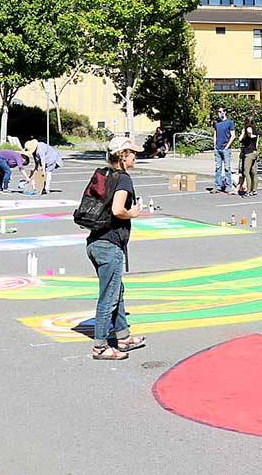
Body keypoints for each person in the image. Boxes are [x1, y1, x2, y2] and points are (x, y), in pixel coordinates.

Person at [87, 136, 147, 360]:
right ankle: (100, 347)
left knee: (116, 291)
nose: (135, 156)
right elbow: (117, 209)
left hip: (95, 241)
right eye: (132, 153)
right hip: (109, 245)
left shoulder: (105, 175)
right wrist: (133, 213)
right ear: (122, 156)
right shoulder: (123, 179)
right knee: (108, 297)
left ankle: (123, 336)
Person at [212, 107, 236, 194]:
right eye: (218, 112)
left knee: (227, 168)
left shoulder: (230, 122)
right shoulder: (217, 123)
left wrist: (227, 146)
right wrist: (215, 145)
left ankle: (229, 187)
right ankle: (217, 186)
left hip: (226, 149)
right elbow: (215, 134)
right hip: (218, 149)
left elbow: (233, 135)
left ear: (225, 112)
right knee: (218, 168)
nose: (220, 113)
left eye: (221, 112)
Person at [238, 117, 260, 197]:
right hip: (254, 152)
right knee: (254, 172)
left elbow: (240, 139)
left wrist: (245, 133)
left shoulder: (248, 129)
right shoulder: (256, 131)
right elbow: (256, 143)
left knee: (246, 172)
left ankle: (248, 190)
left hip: (249, 153)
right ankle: (254, 190)